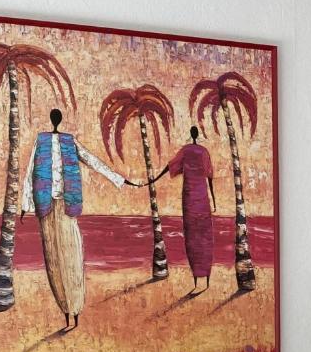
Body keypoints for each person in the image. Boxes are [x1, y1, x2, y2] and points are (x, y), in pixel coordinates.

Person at [20, 108, 138, 328]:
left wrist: (119, 180)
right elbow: (30, 171)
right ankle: (66, 311)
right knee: (53, 261)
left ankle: (75, 309)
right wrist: (26, 204)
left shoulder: (69, 141)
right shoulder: (40, 141)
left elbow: (91, 160)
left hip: (67, 206)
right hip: (45, 205)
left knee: (72, 257)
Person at [149, 126, 216, 293]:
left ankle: (197, 280)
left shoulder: (186, 151)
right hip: (202, 198)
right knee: (205, 237)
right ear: (197, 135)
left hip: (190, 198)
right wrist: (214, 200)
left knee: (192, 238)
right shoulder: (204, 151)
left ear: (190, 134)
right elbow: (210, 178)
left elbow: (170, 166)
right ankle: (206, 279)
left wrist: (154, 179)